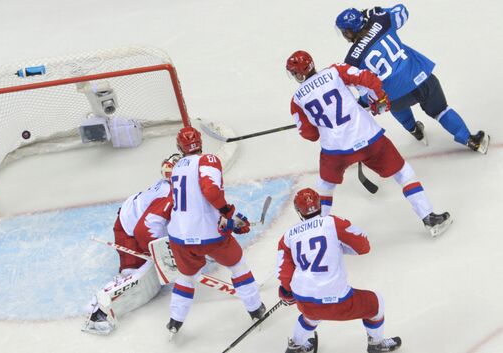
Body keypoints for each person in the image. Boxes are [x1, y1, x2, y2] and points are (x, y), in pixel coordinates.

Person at [285, 50, 452, 237]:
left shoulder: (297, 100)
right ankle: (428, 217)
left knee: (325, 187)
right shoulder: (335, 71)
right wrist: (378, 99)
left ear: (298, 74)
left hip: (335, 150)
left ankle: (319, 234)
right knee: (403, 173)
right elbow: (368, 78)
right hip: (368, 137)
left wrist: (320, 125)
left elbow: (310, 135)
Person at [335, 5, 490, 154]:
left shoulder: (352, 61)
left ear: (348, 33)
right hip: (420, 78)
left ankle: (415, 130)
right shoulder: (380, 22)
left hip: (394, 96)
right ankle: (470, 140)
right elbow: (402, 11)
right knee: (441, 110)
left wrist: (361, 104)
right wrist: (379, 11)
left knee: (393, 103)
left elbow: (366, 93)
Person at [165, 126, 265, 335]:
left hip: (178, 236)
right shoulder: (207, 160)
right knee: (238, 266)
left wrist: (228, 217)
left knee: (186, 277)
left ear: (179, 147)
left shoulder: (176, 168)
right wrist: (229, 214)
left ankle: (175, 321)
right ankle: (255, 309)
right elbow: (210, 191)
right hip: (209, 236)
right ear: (200, 143)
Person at [277, 188, 402, 353]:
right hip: (339, 301)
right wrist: (339, 246)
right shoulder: (332, 223)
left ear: (298, 211)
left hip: (305, 300)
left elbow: (283, 272)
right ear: (320, 204)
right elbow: (363, 246)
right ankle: (376, 344)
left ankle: (295, 346)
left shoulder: (288, 236)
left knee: (311, 314)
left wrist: (287, 292)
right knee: (376, 304)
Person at [82, 153, 181, 335]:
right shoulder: (171, 194)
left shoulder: (169, 186)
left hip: (132, 222)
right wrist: (158, 255)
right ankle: (97, 312)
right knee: (132, 275)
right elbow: (144, 230)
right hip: (129, 232)